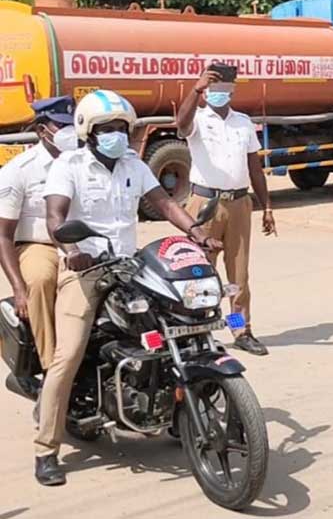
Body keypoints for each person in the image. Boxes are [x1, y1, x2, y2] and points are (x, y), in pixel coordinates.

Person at [34, 90, 221, 486]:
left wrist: (196, 232)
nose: (116, 134)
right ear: (89, 132)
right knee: (67, 356)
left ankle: (176, 410)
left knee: (176, 326)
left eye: (121, 128)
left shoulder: (135, 165)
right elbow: (55, 217)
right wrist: (71, 250)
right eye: (107, 129)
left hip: (129, 264)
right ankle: (47, 448)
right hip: (85, 269)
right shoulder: (69, 165)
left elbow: (164, 203)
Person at [176, 67, 276, 356]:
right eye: (212, 88)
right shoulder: (197, 119)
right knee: (200, 272)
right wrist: (195, 90)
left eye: (223, 88)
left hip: (239, 205)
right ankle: (199, 331)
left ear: (232, 90)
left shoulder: (243, 123)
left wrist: (267, 205)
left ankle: (240, 328)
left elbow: (254, 168)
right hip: (205, 205)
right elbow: (181, 124)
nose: (217, 93)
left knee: (238, 277)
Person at [0, 97, 76, 382]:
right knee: (41, 281)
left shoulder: (83, 161)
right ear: (43, 129)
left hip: (82, 244)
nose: (69, 132)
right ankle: (52, 370)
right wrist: (18, 287)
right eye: (61, 126)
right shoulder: (18, 171)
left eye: (72, 125)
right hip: (38, 245)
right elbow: (3, 234)